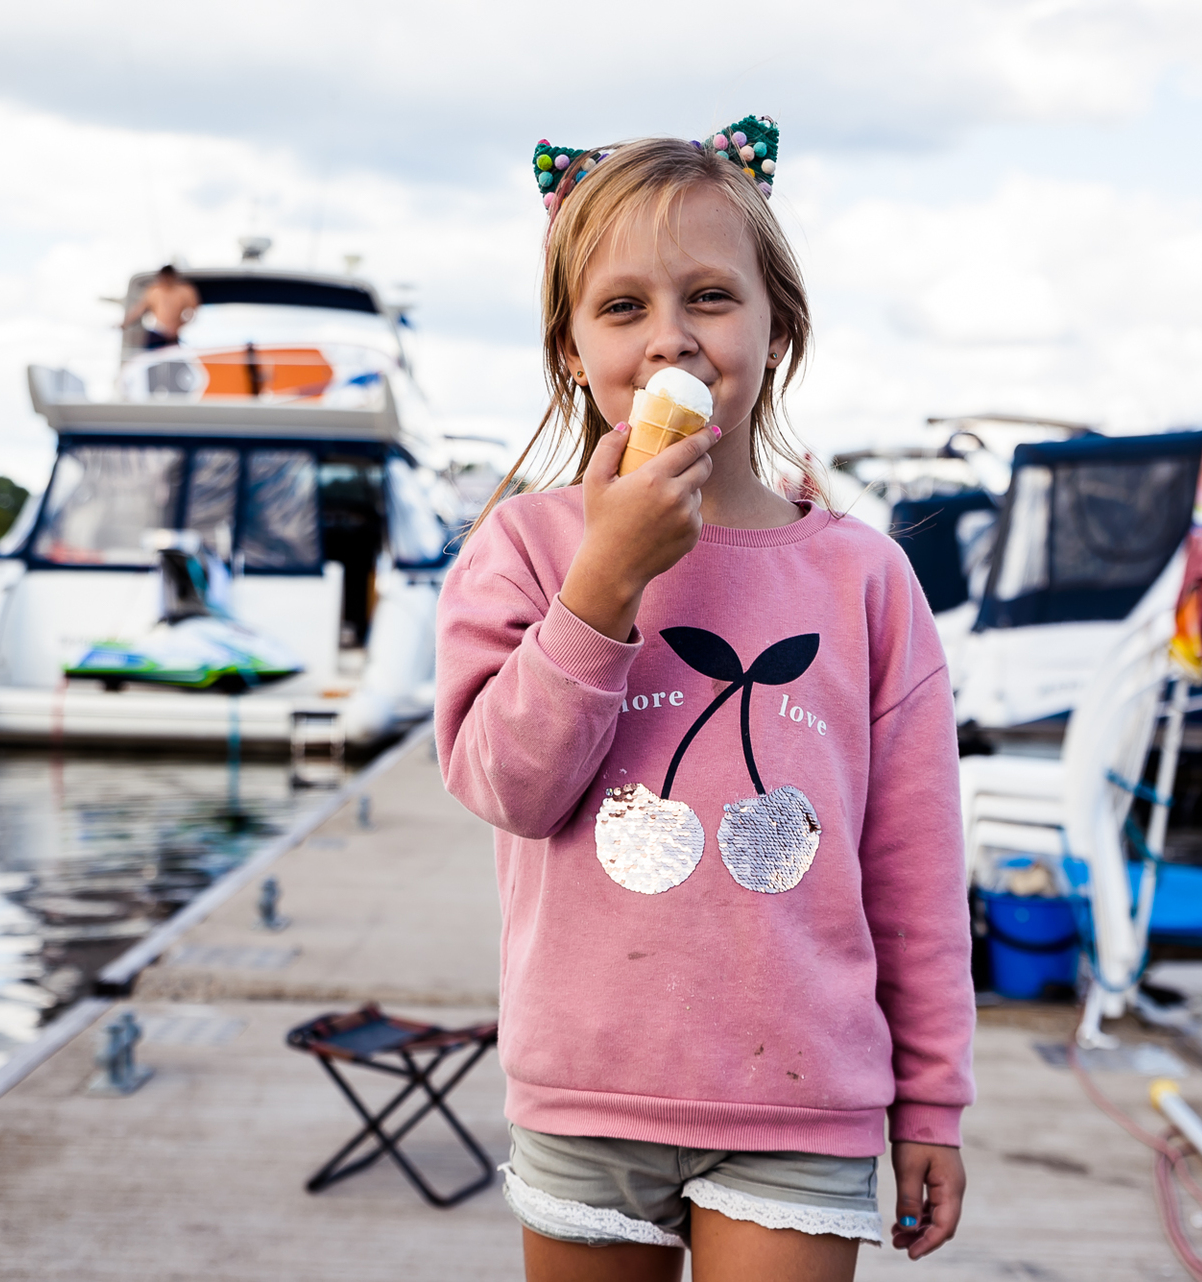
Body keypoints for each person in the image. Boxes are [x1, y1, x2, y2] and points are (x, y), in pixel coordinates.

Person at [436, 126, 975, 1282]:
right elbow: (507, 788)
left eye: (712, 296)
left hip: (803, 1097)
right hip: (587, 1083)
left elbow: (916, 869)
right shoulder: (525, 551)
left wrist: (930, 1099)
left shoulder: (867, 580)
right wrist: (604, 581)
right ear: (572, 349)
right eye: (622, 306)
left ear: (777, 331)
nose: (670, 335)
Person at [125, 264, 199, 349]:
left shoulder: (184, 291)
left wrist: (180, 325)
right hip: (157, 333)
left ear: (173, 277)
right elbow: (139, 309)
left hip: (174, 335)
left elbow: (192, 312)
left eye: (168, 278)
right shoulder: (154, 291)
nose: (166, 280)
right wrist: (125, 323)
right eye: (164, 278)